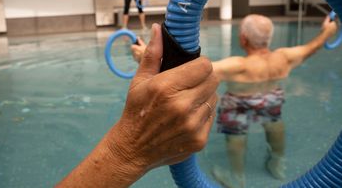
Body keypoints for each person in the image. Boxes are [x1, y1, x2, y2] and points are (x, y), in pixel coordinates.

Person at [131, 15, 337, 188]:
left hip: (239, 103)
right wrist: (327, 32)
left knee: (235, 135)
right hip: (271, 100)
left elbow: (188, 74)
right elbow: (312, 48)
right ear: (268, 38)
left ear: (244, 39)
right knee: (275, 125)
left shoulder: (238, 65)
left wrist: (145, 56)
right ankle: (277, 163)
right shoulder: (284, 57)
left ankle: (237, 178)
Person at [56, 24, 218, 188]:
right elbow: (200, 71)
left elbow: (193, 74)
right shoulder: (239, 64)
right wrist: (127, 152)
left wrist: (127, 152)